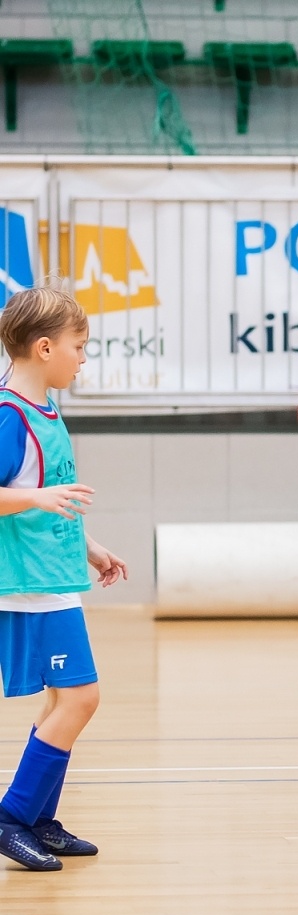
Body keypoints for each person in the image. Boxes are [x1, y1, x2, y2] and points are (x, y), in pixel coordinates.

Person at [0, 284, 130, 873]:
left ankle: (41, 821)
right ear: (45, 347)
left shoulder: (47, 411)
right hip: (26, 585)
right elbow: (25, 496)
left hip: (53, 578)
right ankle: (12, 818)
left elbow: (52, 498)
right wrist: (36, 497)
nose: (84, 357)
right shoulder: (9, 415)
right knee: (82, 697)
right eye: (80, 346)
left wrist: (91, 548)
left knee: (61, 699)